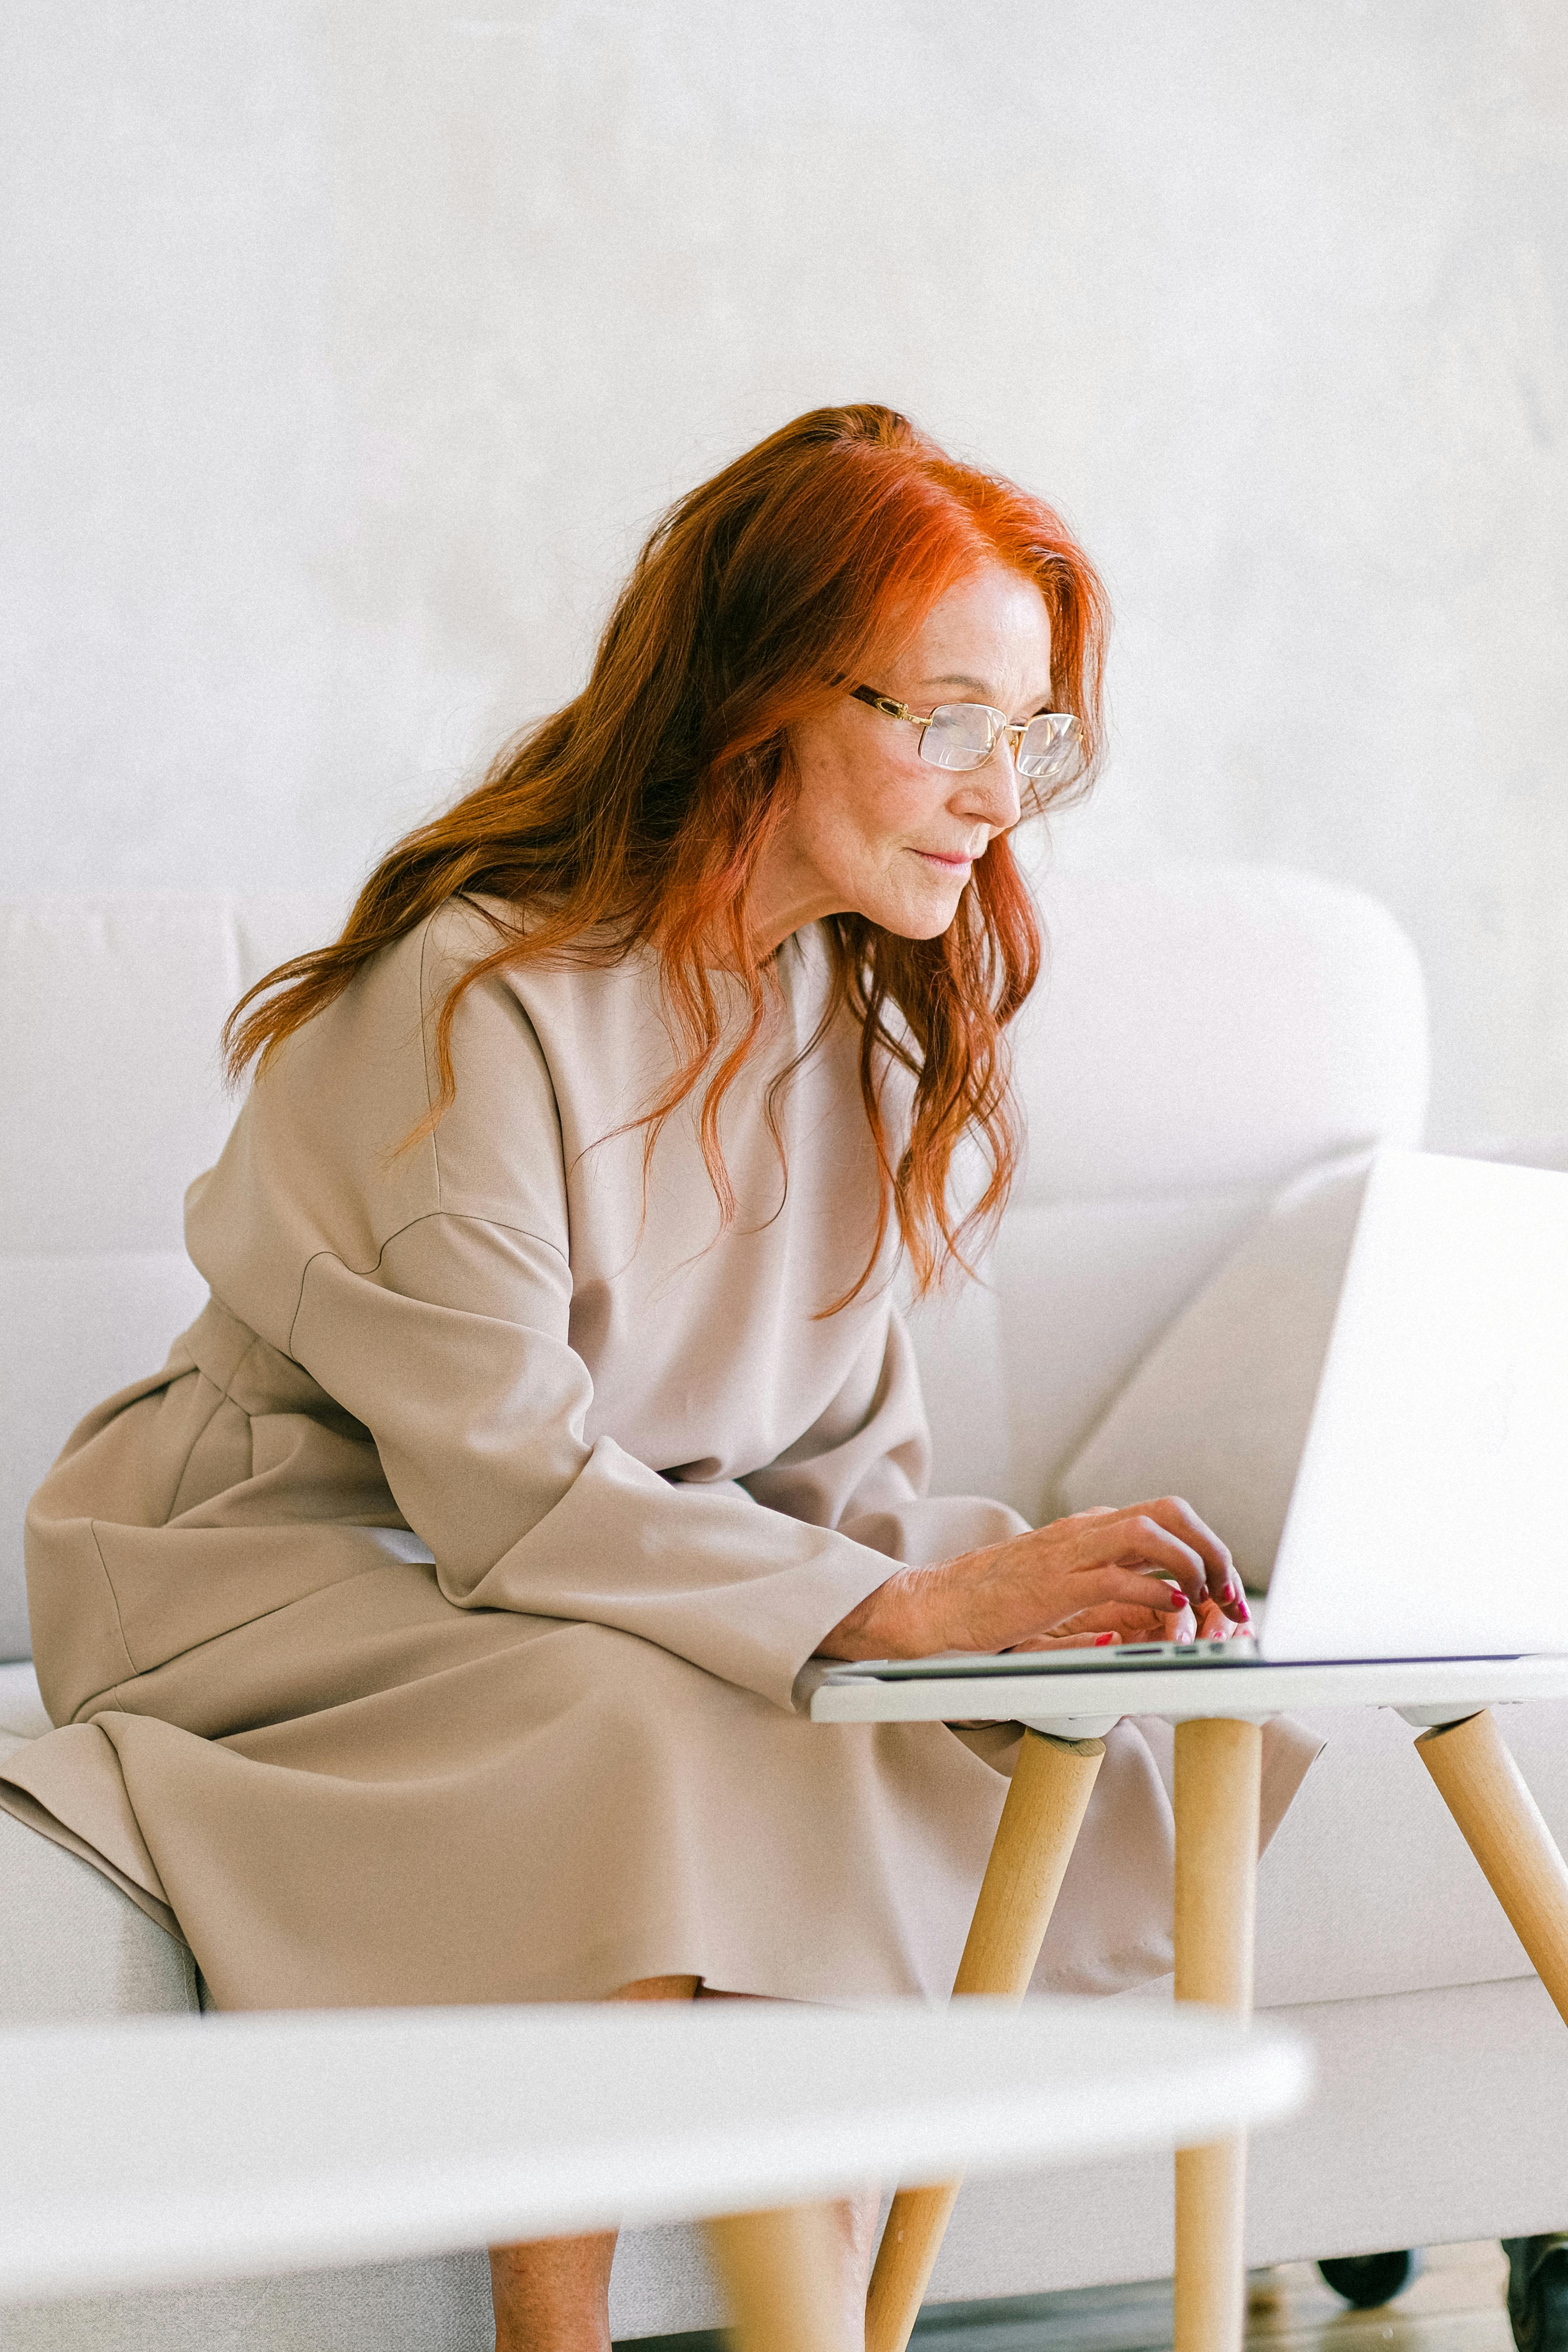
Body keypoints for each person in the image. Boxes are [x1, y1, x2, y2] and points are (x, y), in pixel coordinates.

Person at [6, 405, 1316, 2352]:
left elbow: (849, 1464)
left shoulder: (853, 1012)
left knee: (907, 1692)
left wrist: (966, 1613)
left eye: (1028, 737)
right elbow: (504, 1487)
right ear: (762, 701)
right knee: (646, 1705)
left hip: (607, 1549)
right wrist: (873, 1606)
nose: (997, 794)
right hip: (283, 1552)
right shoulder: (475, 999)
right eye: (945, 722)